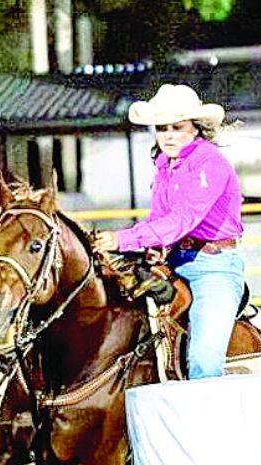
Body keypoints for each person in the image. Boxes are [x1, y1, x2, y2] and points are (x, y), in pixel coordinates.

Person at [93, 84, 245, 379]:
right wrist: (152, 247)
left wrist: (121, 239)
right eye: (163, 128)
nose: (169, 135)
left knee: (204, 361)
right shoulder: (165, 165)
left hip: (215, 266)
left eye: (178, 127)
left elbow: (183, 219)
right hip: (175, 260)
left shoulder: (209, 163)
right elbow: (160, 218)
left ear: (196, 129)